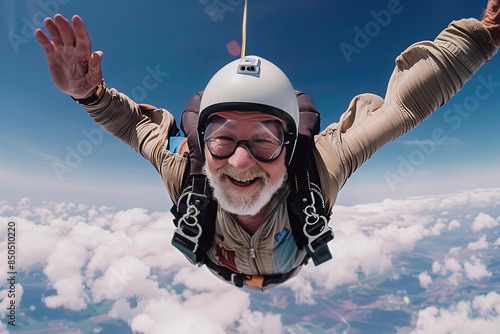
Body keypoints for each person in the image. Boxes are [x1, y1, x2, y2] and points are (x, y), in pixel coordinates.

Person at [36, 1, 500, 291]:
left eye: (262, 141)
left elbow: (405, 104)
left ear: (291, 143)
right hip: (255, 265)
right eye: (222, 140)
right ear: (202, 141)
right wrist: (88, 93)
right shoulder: (189, 173)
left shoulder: (316, 167)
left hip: (272, 265)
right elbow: (133, 126)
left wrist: (485, 34)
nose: (240, 162)